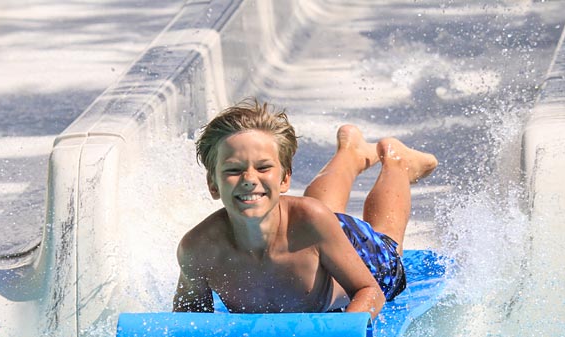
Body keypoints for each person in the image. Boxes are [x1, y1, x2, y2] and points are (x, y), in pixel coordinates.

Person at [173, 99, 437, 319]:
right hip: (311, 228)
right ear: (213, 184)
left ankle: (397, 163)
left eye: (264, 168)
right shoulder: (198, 251)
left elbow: (369, 291)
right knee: (319, 213)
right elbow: (188, 324)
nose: (249, 179)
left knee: (387, 245)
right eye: (233, 170)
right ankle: (350, 152)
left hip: (351, 250)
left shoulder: (312, 221)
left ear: (285, 178)